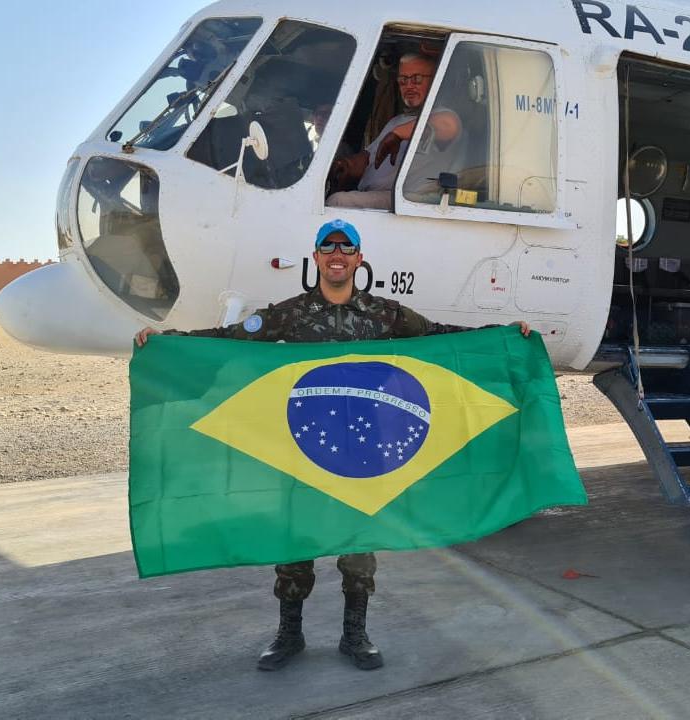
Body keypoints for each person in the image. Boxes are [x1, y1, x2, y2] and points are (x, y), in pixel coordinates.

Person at [135, 218, 529, 671]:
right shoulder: (290, 314)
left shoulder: (385, 315)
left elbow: (442, 336)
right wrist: (169, 343)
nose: (337, 255)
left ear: (359, 259)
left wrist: (504, 335)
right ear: (317, 257)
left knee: (359, 547)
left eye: (346, 248)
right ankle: (289, 635)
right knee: (293, 544)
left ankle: (354, 635)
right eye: (328, 247)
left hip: (364, 452)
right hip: (303, 447)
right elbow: (232, 338)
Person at [326, 53, 461, 209]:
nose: (409, 86)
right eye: (403, 80)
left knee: (337, 201)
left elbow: (448, 125)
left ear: (436, 81)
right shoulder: (397, 121)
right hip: (376, 196)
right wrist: (346, 164)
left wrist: (397, 134)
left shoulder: (445, 115)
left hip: (406, 200)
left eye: (417, 79)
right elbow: (370, 157)